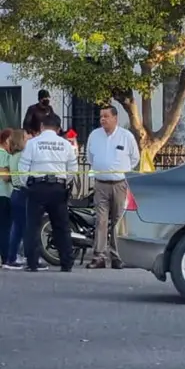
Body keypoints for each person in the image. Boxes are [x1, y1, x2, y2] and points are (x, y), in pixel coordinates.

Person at [19, 112, 77, 272]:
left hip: (37, 188)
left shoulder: (33, 143)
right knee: (61, 226)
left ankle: (32, 262)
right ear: (58, 129)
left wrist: (27, 185)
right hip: (58, 189)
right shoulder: (65, 144)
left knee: (33, 226)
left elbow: (23, 168)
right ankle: (66, 262)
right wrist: (64, 182)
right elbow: (73, 169)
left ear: (42, 127)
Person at [85, 105, 140, 269]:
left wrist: (121, 173)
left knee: (118, 221)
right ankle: (99, 256)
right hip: (101, 183)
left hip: (119, 184)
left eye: (106, 116)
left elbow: (135, 158)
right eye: (101, 116)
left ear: (115, 118)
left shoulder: (126, 136)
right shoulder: (94, 135)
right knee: (101, 220)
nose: (103, 119)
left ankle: (117, 256)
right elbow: (90, 157)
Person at [2, 129, 30, 269]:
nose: (28, 139)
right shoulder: (21, 156)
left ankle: (11, 257)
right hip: (21, 192)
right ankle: (15, 257)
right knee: (22, 226)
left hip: (15, 193)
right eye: (25, 137)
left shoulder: (13, 156)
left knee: (18, 226)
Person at [0, 129, 12, 266]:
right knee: (5, 227)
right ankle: (5, 256)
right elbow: (4, 175)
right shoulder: (3, 155)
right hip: (3, 194)